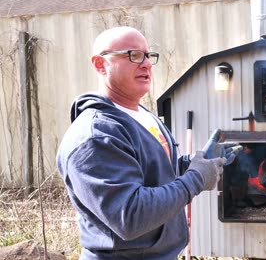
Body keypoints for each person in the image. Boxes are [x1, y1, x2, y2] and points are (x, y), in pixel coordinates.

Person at [56, 26, 241, 259]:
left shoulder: (142, 115)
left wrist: (195, 162)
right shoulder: (95, 136)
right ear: (99, 64)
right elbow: (130, 216)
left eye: (147, 55)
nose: (145, 64)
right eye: (132, 55)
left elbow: (153, 171)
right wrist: (195, 178)